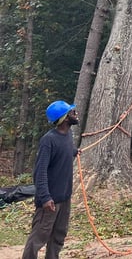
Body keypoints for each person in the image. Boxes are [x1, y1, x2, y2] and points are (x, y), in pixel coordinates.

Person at [22, 100, 80, 259]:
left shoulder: (68, 135)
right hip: (50, 201)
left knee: (58, 236)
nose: (76, 114)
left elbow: (64, 150)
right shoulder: (48, 140)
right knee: (38, 238)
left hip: (64, 198)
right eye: (72, 112)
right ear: (65, 118)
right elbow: (39, 172)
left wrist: (74, 151)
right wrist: (46, 198)